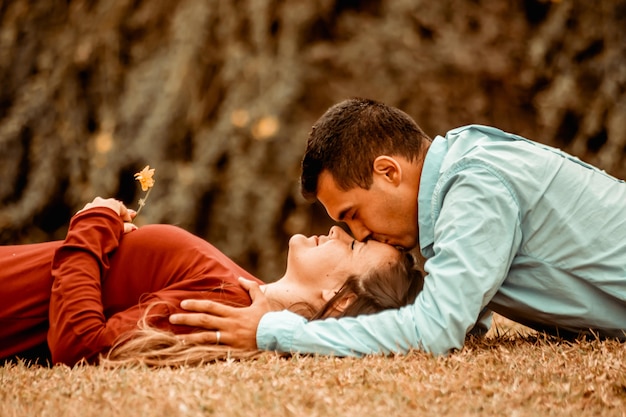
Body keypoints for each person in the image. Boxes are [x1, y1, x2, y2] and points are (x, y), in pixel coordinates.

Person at [169, 97, 626, 356]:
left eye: (351, 215)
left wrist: (274, 332)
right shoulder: (464, 173)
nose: (360, 236)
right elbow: (470, 316)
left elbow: (435, 332)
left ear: (388, 171)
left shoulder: (473, 186)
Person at [0, 196, 422, 366]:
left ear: (340, 301)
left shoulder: (224, 307)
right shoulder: (244, 294)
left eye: (352, 248)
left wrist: (93, 223)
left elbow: (80, 344)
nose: (337, 231)